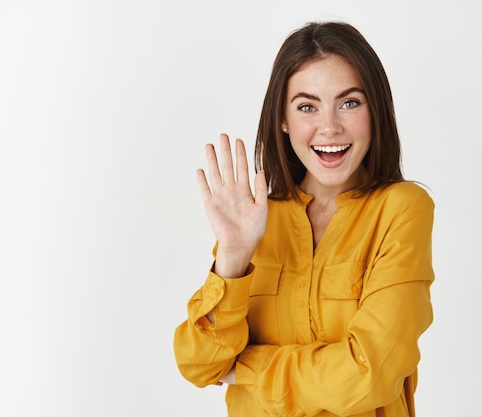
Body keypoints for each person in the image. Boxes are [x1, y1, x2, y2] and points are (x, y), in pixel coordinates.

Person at [173, 21, 434, 417]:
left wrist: (246, 367)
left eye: (350, 102)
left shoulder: (402, 208)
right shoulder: (256, 217)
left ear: (375, 110)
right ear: (283, 119)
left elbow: (369, 374)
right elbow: (198, 363)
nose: (329, 127)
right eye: (307, 106)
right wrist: (233, 255)